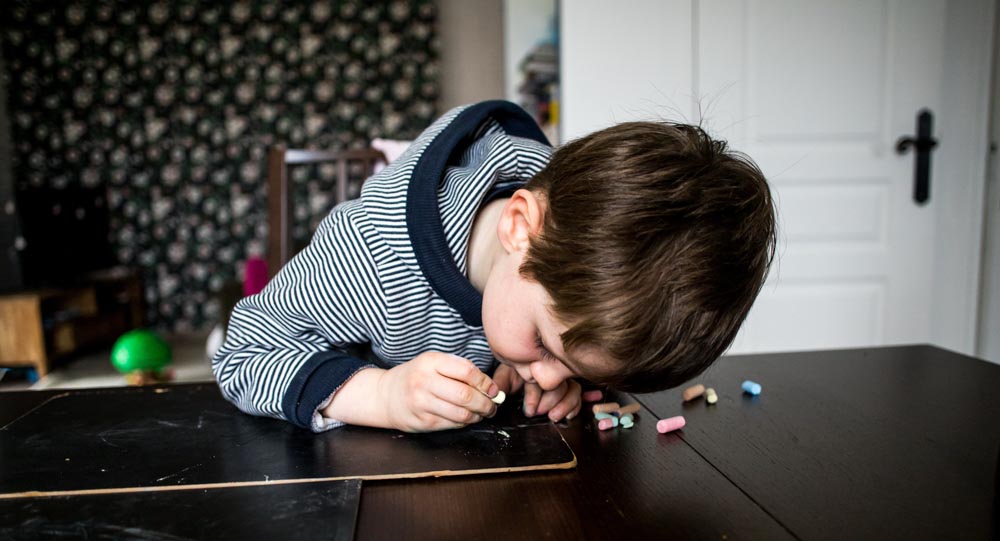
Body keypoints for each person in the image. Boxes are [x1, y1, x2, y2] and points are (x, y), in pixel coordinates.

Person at [213, 100, 776, 432]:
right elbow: (241, 353)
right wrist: (381, 395)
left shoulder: (562, 249)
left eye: (580, 369)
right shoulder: (369, 260)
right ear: (516, 227)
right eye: (547, 346)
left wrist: (546, 373)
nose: (555, 376)